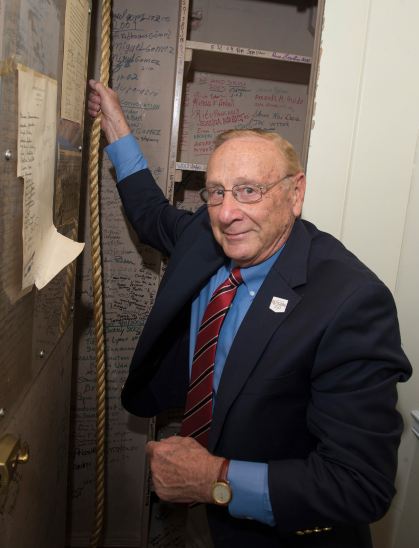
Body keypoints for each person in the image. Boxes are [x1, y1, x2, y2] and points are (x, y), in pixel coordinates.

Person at [88, 80, 412, 548]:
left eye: (249, 190)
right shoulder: (207, 234)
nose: (227, 213)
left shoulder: (351, 302)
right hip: (206, 520)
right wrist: (114, 122)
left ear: (294, 194)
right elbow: (149, 211)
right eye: (216, 192)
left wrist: (214, 480)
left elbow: (359, 486)